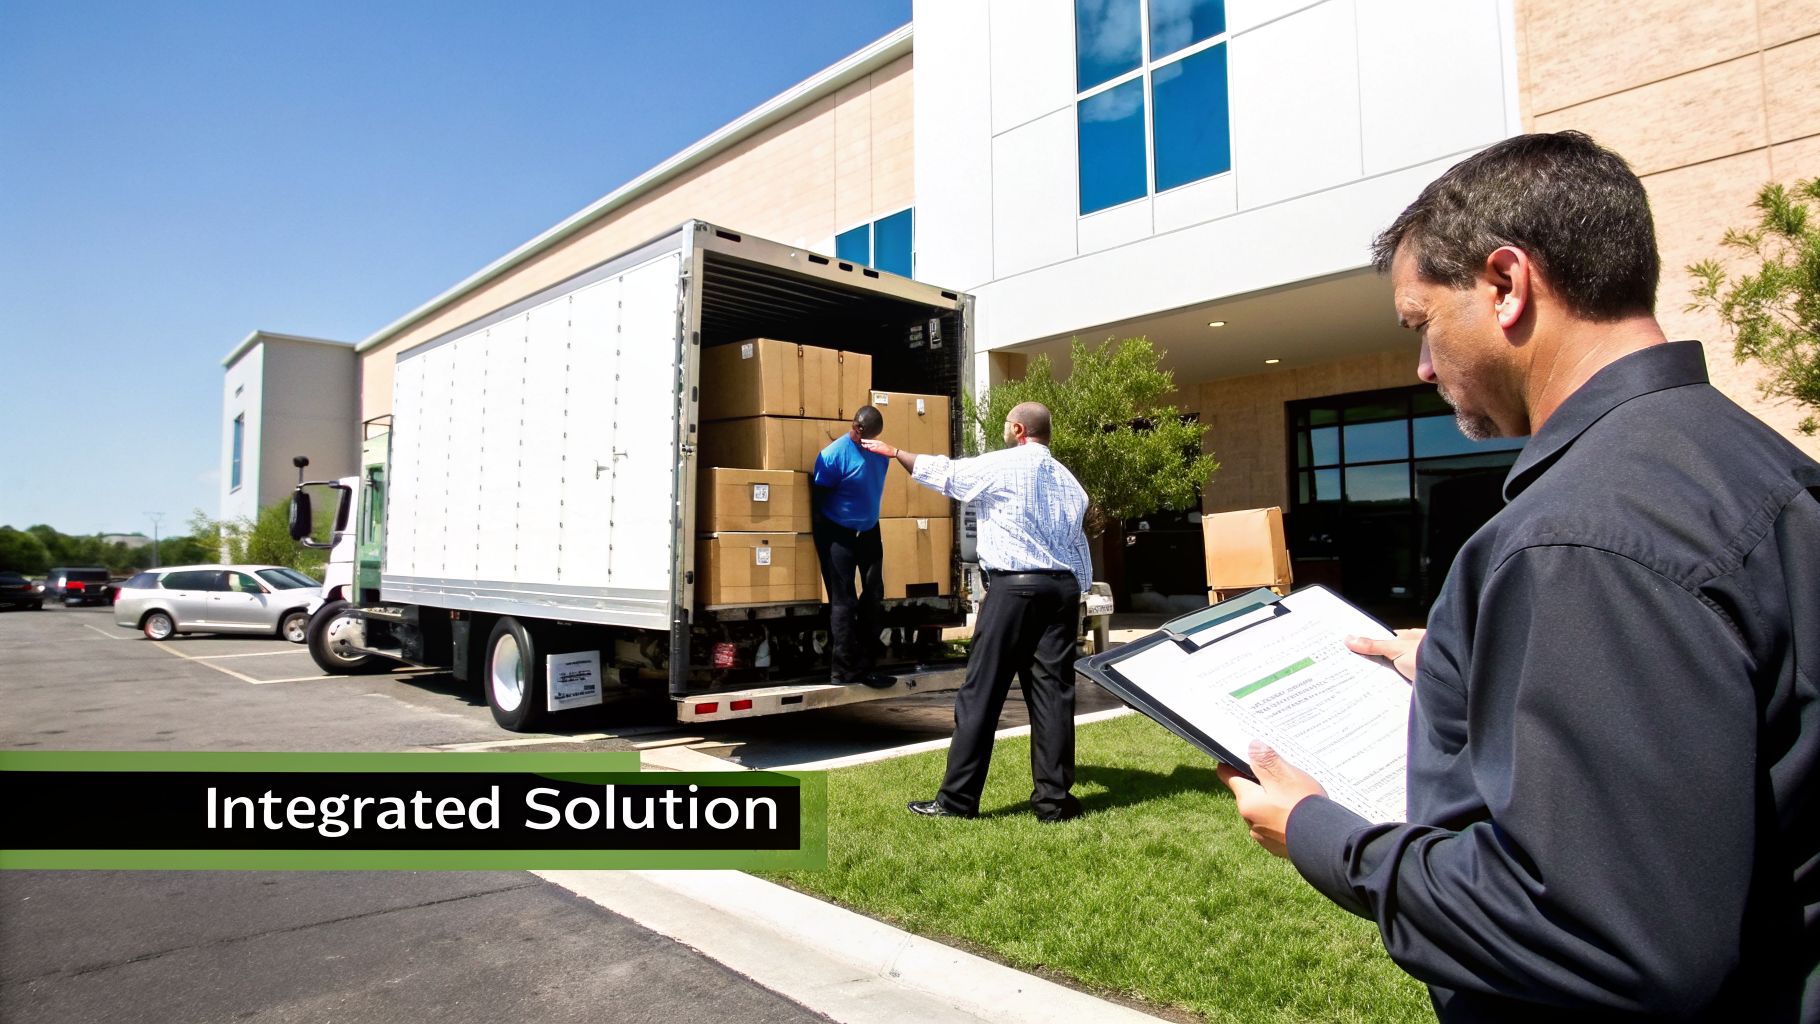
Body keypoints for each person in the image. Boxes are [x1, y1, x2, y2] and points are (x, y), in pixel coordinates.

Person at [1221, 131, 1819, 1021]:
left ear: (1506, 285)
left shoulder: (1581, 539)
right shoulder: (1760, 465)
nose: (1422, 369)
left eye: (1422, 326)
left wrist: (1321, 835)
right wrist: (1488, 665)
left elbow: (1599, 930)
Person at [862, 401, 1093, 822]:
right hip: (1062, 590)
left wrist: (896, 453)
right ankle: (1054, 804)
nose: (1005, 430)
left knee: (981, 694)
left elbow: (946, 474)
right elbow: (1079, 545)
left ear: (1019, 430)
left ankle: (956, 801)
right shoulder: (1070, 482)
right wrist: (1078, 590)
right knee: (1053, 696)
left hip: (1015, 589)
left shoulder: (1003, 465)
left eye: (1007, 425)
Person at [811, 405, 894, 688]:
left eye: (865, 432)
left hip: (869, 529)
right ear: (853, 424)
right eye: (856, 428)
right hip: (837, 531)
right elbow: (818, 500)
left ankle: (866, 665)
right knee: (843, 601)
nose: (858, 434)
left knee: (874, 594)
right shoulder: (832, 456)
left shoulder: (880, 453)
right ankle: (843, 671)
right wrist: (826, 541)